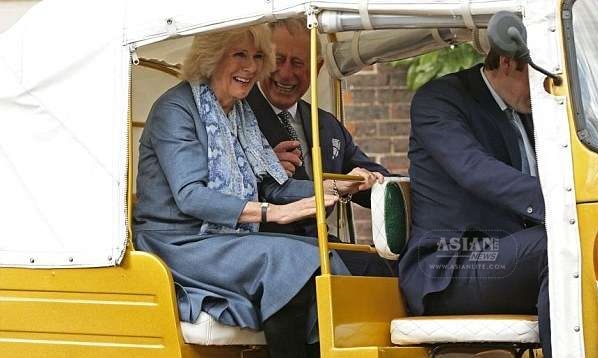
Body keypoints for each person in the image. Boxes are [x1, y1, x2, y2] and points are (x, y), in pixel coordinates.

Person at [133, 24, 349, 358]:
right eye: (239, 55)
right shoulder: (175, 109)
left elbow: (273, 185)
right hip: (178, 242)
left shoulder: (240, 111)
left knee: (324, 255)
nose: (251, 67)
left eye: (258, 56)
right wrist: (271, 213)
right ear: (212, 57)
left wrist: (334, 187)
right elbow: (191, 195)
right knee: (295, 259)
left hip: (223, 238)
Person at [399, 46, 551, 357]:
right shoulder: (439, 100)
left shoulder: (531, 110)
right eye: (537, 78)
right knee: (556, 246)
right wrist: (562, 205)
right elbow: (474, 169)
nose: (546, 90)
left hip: (509, 256)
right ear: (507, 62)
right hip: (450, 268)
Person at [247, 19, 394, 276]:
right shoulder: (239, 114)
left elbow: (371, 178)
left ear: (317, 68)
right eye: (278, 60)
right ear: (261, 61)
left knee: (391, 267)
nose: (285, 73)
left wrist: (376, 184)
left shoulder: (325, 124)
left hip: (321, 243)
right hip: (265, 250)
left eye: (298, 63)